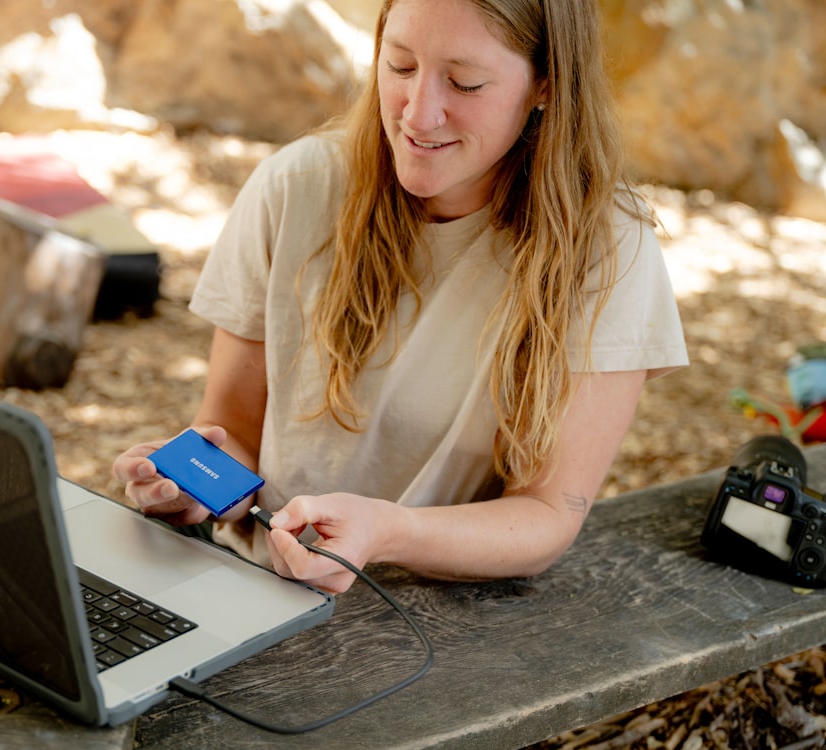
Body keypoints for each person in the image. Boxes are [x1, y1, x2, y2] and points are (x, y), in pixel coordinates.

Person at [113, 0, 688, 594]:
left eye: (464, 82)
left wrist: (386, 532)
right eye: (401, 66)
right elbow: (233, 431)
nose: (418, 113)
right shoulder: (293, 188)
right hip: (255, 587)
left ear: (546, 83)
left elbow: (547, 515)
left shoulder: (606, 246)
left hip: (440, 620)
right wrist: (197, 487)